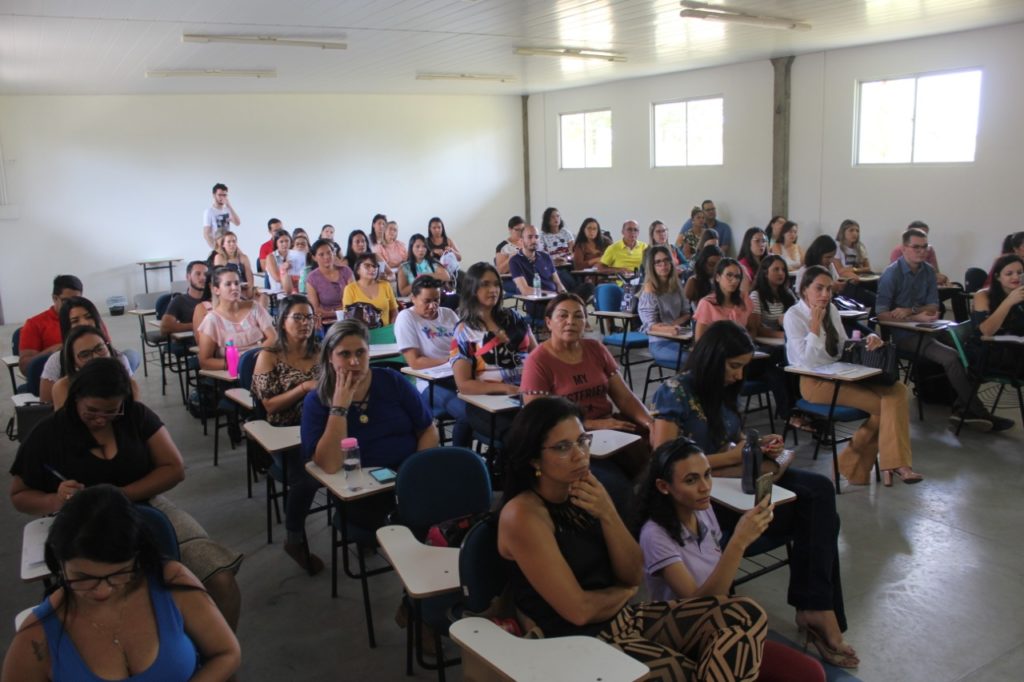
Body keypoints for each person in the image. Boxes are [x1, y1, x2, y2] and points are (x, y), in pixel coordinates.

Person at [498, 397, 766, 680]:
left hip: (622, 619)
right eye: (563, 447)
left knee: (748, 613)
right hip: (578, 641)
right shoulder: (522, 516)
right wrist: (623, 593)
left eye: (582, 441)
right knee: (689, 672)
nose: (580, 455)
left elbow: (633, 574)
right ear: (534, 458)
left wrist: (607, 512)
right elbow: (580, 611)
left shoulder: (584, 491)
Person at [650, 321, 854, 668]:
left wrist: (755, 446)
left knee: (819, 493)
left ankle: (815, 607)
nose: (738, 375)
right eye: (733, 366)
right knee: (821, 518)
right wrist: (733, 457)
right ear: (712, 359)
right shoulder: (674, 391)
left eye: (743, 366)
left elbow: (733, 439)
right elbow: (664, 459)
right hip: (702, 496)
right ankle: (816, 609)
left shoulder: (725, 391)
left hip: (733, 480)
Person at [10, 359, 244, 629]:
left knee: (220, 579)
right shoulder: (50, 433)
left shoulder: (135, 416)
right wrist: (55, 500)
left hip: (149, 506)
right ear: (76, 398)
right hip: (85, 522)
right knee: (123, 598)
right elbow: (19, 495)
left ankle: (217, 651)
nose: (101, 419)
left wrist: (121, 494)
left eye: (111, 411)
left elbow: (174, 468)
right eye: (91, 411)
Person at [2, 484, 240, 681]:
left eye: (120, 573)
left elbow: (226, 652)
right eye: (83, 577)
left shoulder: (170, 581)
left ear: (138, 557)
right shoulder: (38, 635)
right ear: (59, 563)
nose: (103, 591)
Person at [637, 440, 828, 679]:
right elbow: (699, 609)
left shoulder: (702, 510)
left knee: (811, 673)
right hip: (687, 638)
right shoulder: (655, 535)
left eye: (707, 475)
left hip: (723, 626)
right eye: (691, 480)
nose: (705, 487)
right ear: (664, 486)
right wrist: (738, 542)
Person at [300, 320, 439, 558]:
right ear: (330, 357)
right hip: (360, 491)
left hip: (406, 479)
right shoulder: (318, 400)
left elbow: (428, 430)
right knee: (404, 523)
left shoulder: (391, 381)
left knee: (434, 507)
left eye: (360, 353)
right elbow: (330, 465)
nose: (354, 362)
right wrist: (339, 408)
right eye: (344, 354)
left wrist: (414, 472)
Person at [785, 266, 925, 483]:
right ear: (804, 290)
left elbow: (842, 347)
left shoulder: (831, 309)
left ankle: (853, 465)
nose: (825, 294)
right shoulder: (793, 315)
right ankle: (895, 465)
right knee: (887, 407)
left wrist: (866, 341)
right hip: (815, 383)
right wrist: (814, 326)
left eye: (829, 289)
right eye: (819, 288)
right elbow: (806, 362)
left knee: (898, 390)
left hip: (841, 373)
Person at [521, 294, 654, 514]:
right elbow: (540, 421)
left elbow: (625, 397)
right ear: (549, 322)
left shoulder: (595, 349)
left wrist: (650, 423)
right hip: (569, 441)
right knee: (617, 489)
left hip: (611, 430)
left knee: (665, 459)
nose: (570, 322)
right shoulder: (538, 361)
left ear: (586, 322)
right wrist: (594, 425)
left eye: (578, 316)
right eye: (563, 316)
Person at [878, 228, 1012, 430]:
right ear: (904, 249)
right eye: (916, 247)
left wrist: (911, 312)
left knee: (972, 350)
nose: (922, 251)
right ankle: (977, 411)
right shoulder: (891, 274)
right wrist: (915, 317)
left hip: (929, 327)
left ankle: (962, 407)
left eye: (925, 247)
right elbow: (881, 315)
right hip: (904, 334)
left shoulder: (928, 270)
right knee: (951, 357)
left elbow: (934, 306)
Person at [452, 262, 537, 440]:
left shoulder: (514, 318)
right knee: (521, 437)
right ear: (472, 289)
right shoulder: (464, 330)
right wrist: (507, 388)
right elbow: (464, 384)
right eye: (485, 284)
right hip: (487, 402)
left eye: (496, 284)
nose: (493, 290)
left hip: (527, 394)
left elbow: (537, 356)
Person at [395, 276, 471, 447]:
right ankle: (461, 457)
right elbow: (415, 362)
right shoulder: (407, 317)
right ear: (413, 298)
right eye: (427, 301)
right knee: (467, 415)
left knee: (486, 409)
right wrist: (449, 360)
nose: (433, 306)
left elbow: (465, 345)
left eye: (436, 300)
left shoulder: (448, 314)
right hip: (430, 383)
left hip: (459, 376)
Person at [251, 295, 321, 427]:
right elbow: (270, 406)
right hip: (287, 425)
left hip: (321, 418)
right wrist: (304, 388)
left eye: (309, 317)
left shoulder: (321, 351)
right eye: (297, 317)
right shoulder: (269, 356)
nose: (305, 322)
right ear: (283, 322)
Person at [39, 296, 123, 403]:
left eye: (89, 317)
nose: (84, 323)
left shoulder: (118, 357)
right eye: (75, 321)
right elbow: (45, 406)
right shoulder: (57, 362)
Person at [197, 267, 277, 371]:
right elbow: (204, 361)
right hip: (234, 372)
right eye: (228, 284)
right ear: (216, 290)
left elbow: (273, 338)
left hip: (262, 364)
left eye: (237, 283)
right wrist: (236, 364)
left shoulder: (254, 307)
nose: (234, 287)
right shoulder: (212, 320)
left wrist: (255, 358)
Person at [47, 320, 137, 409]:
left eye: (100, 349)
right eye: (85, 355)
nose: (96, 357)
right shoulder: (63, 388)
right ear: (74, 362)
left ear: (108, 348)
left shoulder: (130, 385)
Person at [510, 225, 594, 316]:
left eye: (536, 237)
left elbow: (558, 283)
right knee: (568, 308)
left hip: (556, 300)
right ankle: (571, 309)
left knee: (588, 287)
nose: (534, 240)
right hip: (538, 303)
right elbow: (525, 290)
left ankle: (570, 307)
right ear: (522, 240)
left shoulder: (545, 257)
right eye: (530, 237)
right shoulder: (515, 261)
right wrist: (551, 294)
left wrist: (565, 295)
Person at [638, 246, 692, 369]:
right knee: (695, 359)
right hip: (660, 343)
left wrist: (672, 324)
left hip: (680, 337)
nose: (663, 265)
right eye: (658, 262)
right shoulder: (649, 288)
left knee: (708, 355)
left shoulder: (676, 284)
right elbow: (649, 326)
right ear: (652, 266)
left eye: (666, 260)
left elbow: (686, 313)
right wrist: (668, 329)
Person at [19, 274, 83, 375]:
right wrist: (52, 351)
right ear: (54, 298)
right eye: (66, 301)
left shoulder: (88, 319)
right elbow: (25, 367)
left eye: (77, 300)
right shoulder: (34, 324)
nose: (72, 305)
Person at [972, 254, 1024, 375]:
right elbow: (986, 332)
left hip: (1017, 347)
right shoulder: (983, 295)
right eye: (1009, 274)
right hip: (992, 352)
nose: (1016, 277)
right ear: (997, 277)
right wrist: (1009, 301)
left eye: (1020, 272)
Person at [692, 258, 756, 341]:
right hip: (716, 347)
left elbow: (752, 329)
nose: (734, 280)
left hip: (742, 346)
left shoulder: (744, 299)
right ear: (718, 277)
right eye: (729, 275)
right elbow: (699, 340)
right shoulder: (707, 303)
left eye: (737, 277)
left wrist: (745, 343)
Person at [343, 253, 399, 327]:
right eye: (367, 266)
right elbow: (348, 317)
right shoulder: (350, 289)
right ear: (358, 270)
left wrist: (392, 327)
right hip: (361, 332)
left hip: (386, 330)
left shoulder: (385, 285)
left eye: (375, 266)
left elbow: (394, 311)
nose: (373, 269)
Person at [306, 238, 355, 323]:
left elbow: (355, 300)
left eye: (329, 252)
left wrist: (335, 312)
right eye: (321, 254)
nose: (327, 257)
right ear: (314, 257)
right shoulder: (312, 278)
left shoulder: (346, 271)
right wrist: (339, 312)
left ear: (334, 253)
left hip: (349, 317)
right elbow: (315, 310)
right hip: (326, 321)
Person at [888, 221, 950, 286]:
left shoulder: (929, 250)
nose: (922, 251)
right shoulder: (898, 251)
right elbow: (897, 276)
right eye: (919, 234)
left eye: (925, 234)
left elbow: (935, 273)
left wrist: (942, 279)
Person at [749, 255, 796, 339]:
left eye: (783, 270)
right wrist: (784, 335)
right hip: (768, 342)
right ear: (765, 273)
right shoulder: (756, 295)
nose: (781, 273)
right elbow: (756, 329)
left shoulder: (788, 293)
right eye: (776, 269)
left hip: (788, 339)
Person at [159, 260, 208, 335]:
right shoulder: (179, 300)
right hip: (189, 341)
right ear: (188, 277)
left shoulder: (213, 300)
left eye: (206, 274)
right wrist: (197, 325)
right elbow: (165, 327)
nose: (203, 277)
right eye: (198, 274)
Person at [539, 207, 580, 292]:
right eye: (552, 217)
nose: (556, 219)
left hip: (568, 264)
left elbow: (573, 252)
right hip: (553, 267)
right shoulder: (542, 236)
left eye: (558, 216)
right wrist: (553, 261)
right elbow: (542, 255)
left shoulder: (566, 233)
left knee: (579, 278)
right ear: (547, 219)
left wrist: (566, 259)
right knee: (567, 280)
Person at [212, 231, 255, 300]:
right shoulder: (219, 257)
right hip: (230, 289)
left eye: (234, 241)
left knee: (263, 297)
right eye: (229, 242)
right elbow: (219, 278)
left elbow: (249, 275)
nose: (232, 244)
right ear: (223, 245)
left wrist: (250, 290)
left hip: (244, 288)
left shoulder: (243, 257)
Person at [202, 182, 240, 249]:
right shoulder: (209, 211)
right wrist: (216, 248)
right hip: (218, 246)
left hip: (228, 245)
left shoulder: (227, 209)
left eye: (224, 195)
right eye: (219, 195)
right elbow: (206, 234)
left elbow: (237, 223)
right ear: (214, 195)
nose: (222, 197)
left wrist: (229, 205)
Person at [264, 229, 296, 297]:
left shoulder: (295, 255)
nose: (285, 244)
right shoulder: (271, 257)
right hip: (278, 294)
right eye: (281, 242)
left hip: (294, 292)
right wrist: (285, 268)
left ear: (290, 242)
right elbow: (277, 278)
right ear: (276, 243)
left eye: (287, 241)